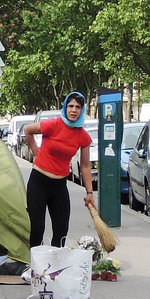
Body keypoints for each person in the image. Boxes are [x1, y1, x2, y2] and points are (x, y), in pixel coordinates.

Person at [23, 92, 94, 247]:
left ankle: (55, 267)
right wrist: (36, 153)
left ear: (82, 111)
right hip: (38, 182)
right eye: (71, 106)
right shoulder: (53, 124)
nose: (74, 110)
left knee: (61, 231)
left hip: (59, 186)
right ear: (65, 107)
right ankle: (35, 267)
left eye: (78, 107)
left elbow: (85, 166)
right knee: (37, 229)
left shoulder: (83, 136)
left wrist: (89, 192)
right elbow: (28, 130)